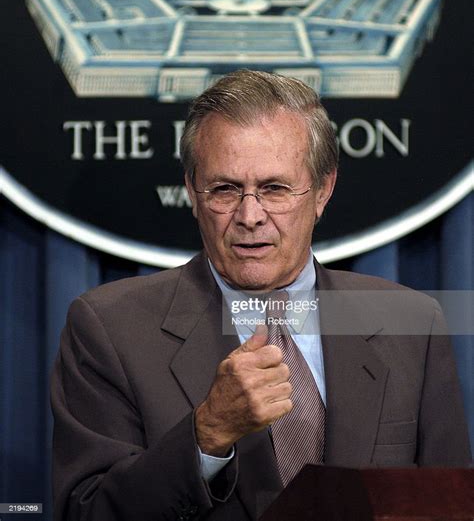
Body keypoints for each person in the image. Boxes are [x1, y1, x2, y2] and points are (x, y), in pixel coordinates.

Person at [52, 70, 471, 521]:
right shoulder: (110, 328)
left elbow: (448, 503)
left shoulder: (411, 323)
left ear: (323, 190)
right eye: (225, 189)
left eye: (274, 189)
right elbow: (86, 512)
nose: (250, 215)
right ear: (193, 192)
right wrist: (206, 434)